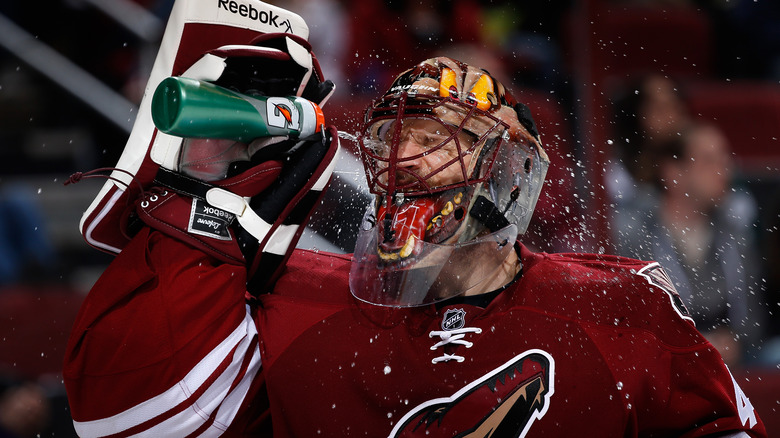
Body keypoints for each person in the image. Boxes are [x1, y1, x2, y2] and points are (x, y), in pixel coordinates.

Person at [63, 40, 767, 438]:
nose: (403, 162)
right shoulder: (292, 299)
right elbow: (125, 416)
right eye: (392, 142)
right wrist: (209, 206)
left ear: (509, 173)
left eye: (435, 143)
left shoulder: (615, 301)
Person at [612, 122, 766, 368]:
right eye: (709, 160)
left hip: (734, 365)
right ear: (674, 173)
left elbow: (753, 322)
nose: (723, 169)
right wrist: (694, 345)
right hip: (661, 365)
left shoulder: (735, 234)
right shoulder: (634, 236)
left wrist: (733, 342)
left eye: (725, 158)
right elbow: (630, 325)